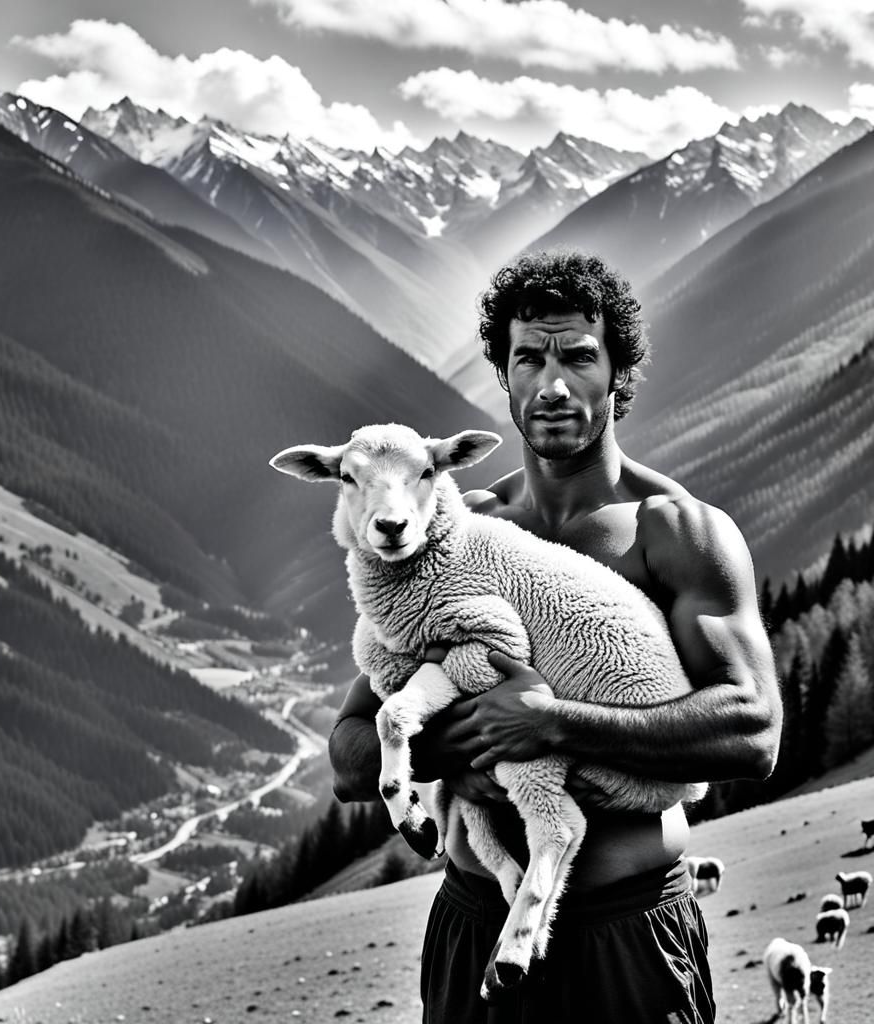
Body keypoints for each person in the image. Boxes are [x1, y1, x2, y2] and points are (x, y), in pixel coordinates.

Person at [328, 248, 782, 1023]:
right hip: (474, 921)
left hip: (629, 933)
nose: (554, 383)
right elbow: (347, 753)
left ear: (618, 374)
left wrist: (552, 723)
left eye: (578, 355)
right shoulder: (454, 530)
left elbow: (752, 732)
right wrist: (464, 741)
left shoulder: (676, 532)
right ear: (503, 376)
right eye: (528, 358)